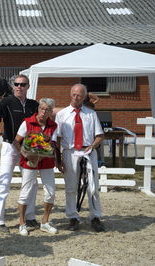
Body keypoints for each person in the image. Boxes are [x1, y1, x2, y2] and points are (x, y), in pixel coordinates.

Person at [0, 74, 39, 233]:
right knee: (4, 182)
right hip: (10, 146)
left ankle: (30, 216)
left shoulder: (34, 105)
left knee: (30, 182)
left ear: (28, 86)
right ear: (13, 86)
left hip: (29, 147)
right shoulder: (7, 102)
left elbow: (45, 116)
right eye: (17, 84)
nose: (19, 87)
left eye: (23, 84)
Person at [55, 84, 105, 232]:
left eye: (80, 96)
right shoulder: (62, 114)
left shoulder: (91, 114)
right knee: (71, 186)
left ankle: (95, 217)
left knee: (93, 186)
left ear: (84, 97)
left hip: (88, 151)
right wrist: (58, 158)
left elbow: (100, 135)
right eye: (74, 95)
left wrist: (93, 146)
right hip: (70, 152)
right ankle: (73, 217)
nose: (76, 98)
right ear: (70, 94)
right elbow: (56, 138)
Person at [13, 98, 60, 236]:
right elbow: (16, 141)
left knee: (51, 192)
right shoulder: (27, 122)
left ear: (51, 112)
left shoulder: (54, 126)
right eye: (42, 109)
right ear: (38, 109)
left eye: (47, 110)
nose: (43, 112)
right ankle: (22, 223)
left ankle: (45, 222)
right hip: (29, 161)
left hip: (46, 162)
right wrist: (26, 155)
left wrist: (50, 144)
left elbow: (54, 145)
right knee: (25, 193)